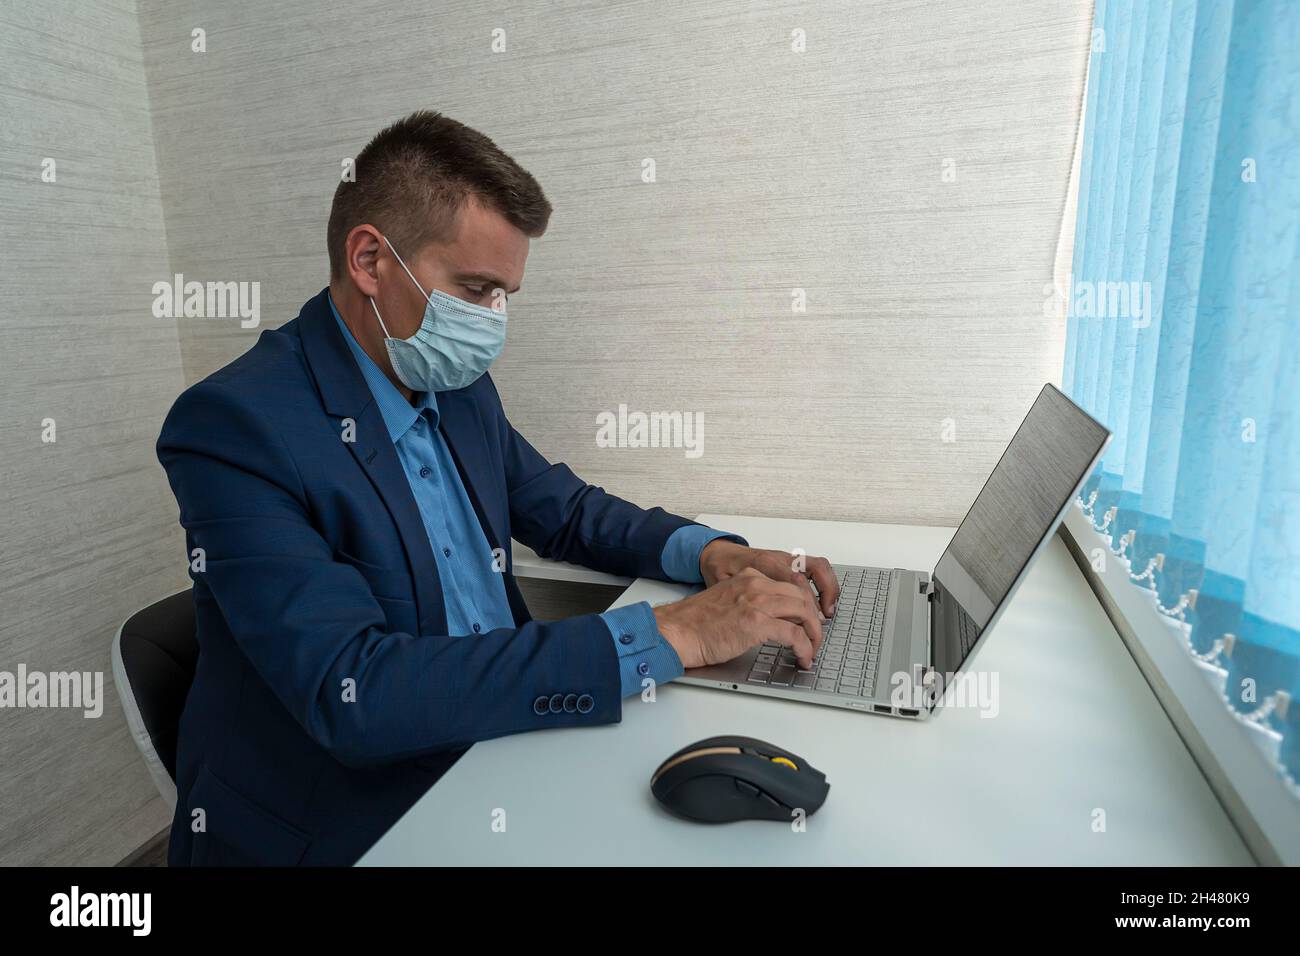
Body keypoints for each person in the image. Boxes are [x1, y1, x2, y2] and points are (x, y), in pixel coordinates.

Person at [157, 110, 838, 865]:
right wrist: (677, 631)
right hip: (353, 812)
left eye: (503, 294)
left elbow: (563, 509)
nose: (491, 321)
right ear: (370, 259)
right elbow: (357, 691)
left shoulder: (449, 380)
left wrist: (706, 553)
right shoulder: (235, 426)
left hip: (500, 739)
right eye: (476, 289)